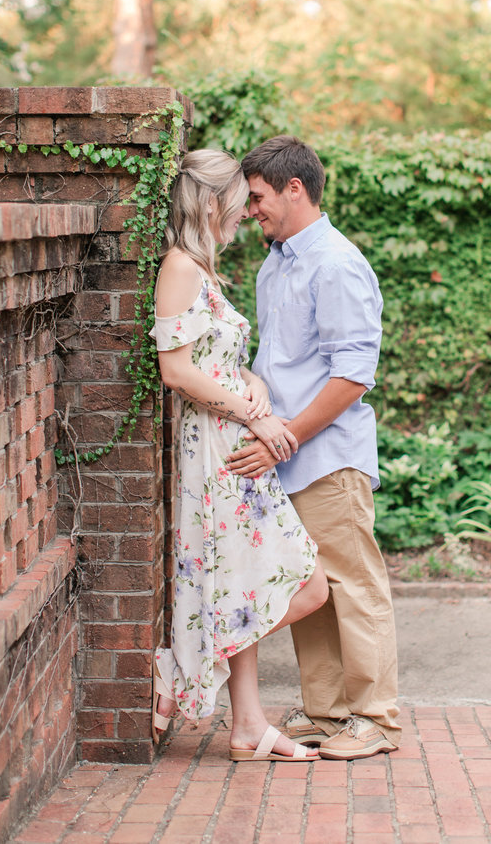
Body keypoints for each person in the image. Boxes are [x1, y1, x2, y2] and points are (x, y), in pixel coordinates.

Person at [225, 135, 401, 760]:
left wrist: (290, 436)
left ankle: (376, 720)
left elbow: (353, 375)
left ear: (293, 189)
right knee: (313, 584)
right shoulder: (276, 263)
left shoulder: (336, 263)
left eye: (257, 198)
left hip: (328, 455)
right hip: (289, 455)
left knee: (354, 585)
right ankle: (328, 713)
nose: (251, 212)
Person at [150, 149, 328, 762]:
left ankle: (247, 724)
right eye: (238, 203)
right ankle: (182, 670)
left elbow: (216, 363)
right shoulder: (179, 267)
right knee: (306, 584)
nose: (246, 215)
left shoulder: (204, 271)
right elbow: (175, 371)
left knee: (244, 583)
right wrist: (256, 411)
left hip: (231, 439)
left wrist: (253, 384)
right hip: (214, 451)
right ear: (208, 202)